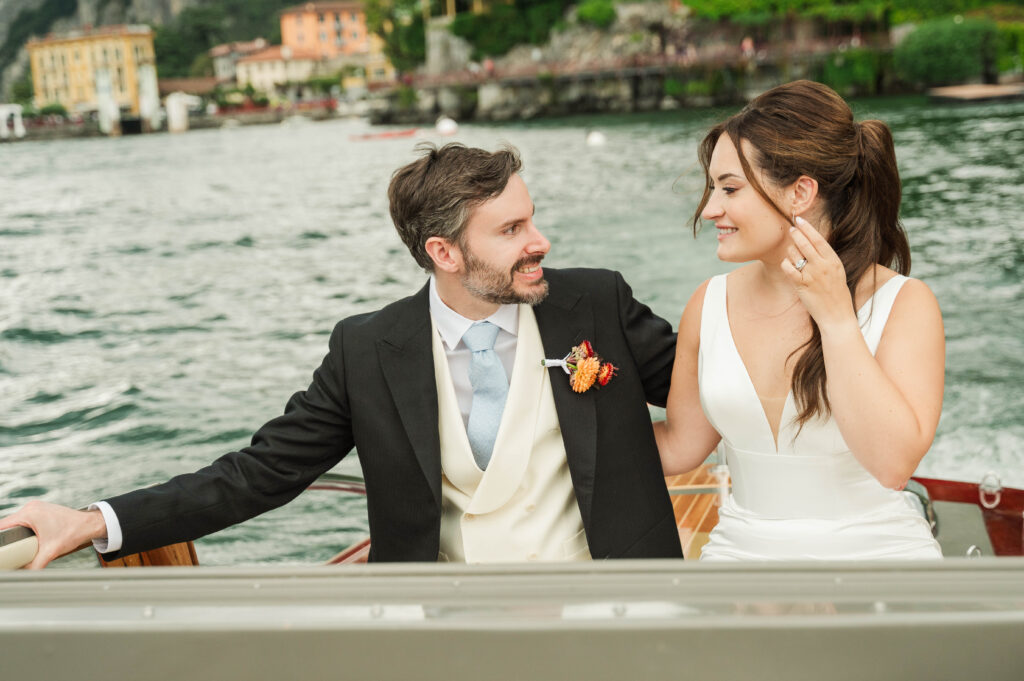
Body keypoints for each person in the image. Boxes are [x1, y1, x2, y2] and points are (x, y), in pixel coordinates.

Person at [1, 142, 682, 568]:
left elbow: (715, 385)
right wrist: (93, 520)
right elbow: (260, 472)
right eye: (512, 229)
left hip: (610, 607)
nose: (542, 241)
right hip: (445, 632)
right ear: (443, 253)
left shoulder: (595, 304)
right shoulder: (368, 350)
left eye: (531, 217)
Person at [654, 80, 944, 560]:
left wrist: (836, 321)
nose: (709, 210)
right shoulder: (708, 302)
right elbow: (681, 448)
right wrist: (555, 422)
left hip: (878, 555)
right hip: (739, 553)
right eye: (712, 188)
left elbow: (894, 465)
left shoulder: (906, 304)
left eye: (729, 188)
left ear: (801, 192)